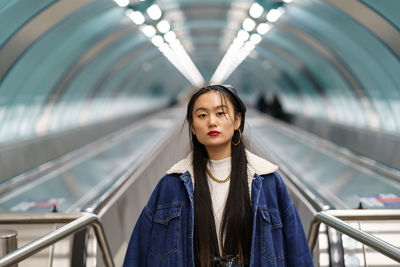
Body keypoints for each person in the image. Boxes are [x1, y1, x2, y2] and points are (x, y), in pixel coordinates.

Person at [123, 84, 313, 267]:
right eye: (202, 115)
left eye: (220, 113)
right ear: (192, 126)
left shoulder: (268, 182)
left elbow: (297, 251)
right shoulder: (172, 184)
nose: (212, 122)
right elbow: (139, 251)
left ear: (237, 120)